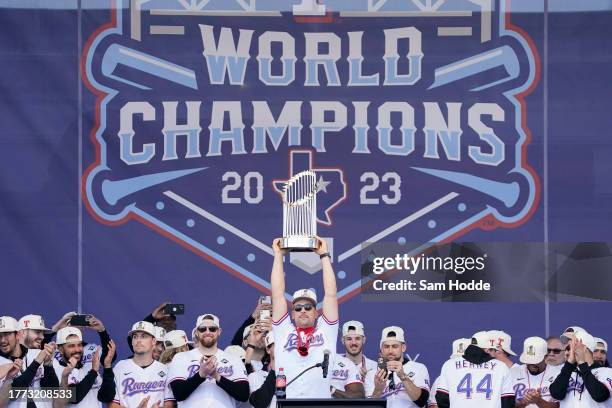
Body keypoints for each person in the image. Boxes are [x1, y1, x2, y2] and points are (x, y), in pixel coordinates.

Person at [270, 237, 339, 399]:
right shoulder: (283, 330)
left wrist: (324, 255)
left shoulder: (326, 330)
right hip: (286, 403)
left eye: (308, 307)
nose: (303, 311)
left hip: (320, 404)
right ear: (292, 314)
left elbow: (331, 294)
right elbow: (277, 294)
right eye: (298, 308)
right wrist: (278, 255)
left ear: (316, 313)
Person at [167, 314, 249, 407]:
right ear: (197, 332)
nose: (207, 332)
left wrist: (217, 376)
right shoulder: (181, 358)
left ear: (219, 331)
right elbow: (179, 394)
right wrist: (201, 375)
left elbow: (243, 395)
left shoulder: (233, 359)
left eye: (212, 329)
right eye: (202, 329)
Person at [436, 331, 515, 408]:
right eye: (493, 350)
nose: (494, 353)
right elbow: (508, 401)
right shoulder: (501, 367)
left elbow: (442, 398)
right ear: (487, 350)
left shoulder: (450, 365)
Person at [0, 315, 59, 408]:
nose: (2, 340)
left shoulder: (37, 353)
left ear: (18, 334)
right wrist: (36, 363)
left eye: (7, 334)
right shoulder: (1, 362)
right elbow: (12, 394)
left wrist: (48, 366)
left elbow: (53, 392)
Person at [110, 321, 171, 407]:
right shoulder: (120, 367)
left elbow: (170, 404)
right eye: (135, 337)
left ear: (153, 341)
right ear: (132, 342)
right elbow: (112, 405)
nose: (138, 340)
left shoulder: (165, 369)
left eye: (144, 336)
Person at [365, 326, 430, 407]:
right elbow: (369, 407)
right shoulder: (372, 374)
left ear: (403, 347)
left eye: (395, 346)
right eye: (386, 346)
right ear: (381, 349)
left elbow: (422, 401)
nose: (390, 351)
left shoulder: (418, 368)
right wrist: (378, 390)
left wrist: (403, 377)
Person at [549, 330, 612, 407]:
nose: (568, 352)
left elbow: (600, 395)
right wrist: (569, 365)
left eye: (570, 348)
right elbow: (556, 394)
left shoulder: (607, 372)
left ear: (584, 348)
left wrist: (582, 363)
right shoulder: (566, 373)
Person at [511, 336, 561, 408]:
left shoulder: (557, 374)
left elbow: (560, 406)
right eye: (528, 360)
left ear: (545, 356)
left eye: (535, 360)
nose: (531, 364)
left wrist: (539, 401)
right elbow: (504, 404)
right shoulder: (513, 373)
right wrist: (523, 403)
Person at [428, 338, 471, 408]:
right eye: (456, 359)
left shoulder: (480, 375)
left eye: (464, 360)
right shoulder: (441, 379)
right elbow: (433, 405)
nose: (460, 363)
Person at [248, 332, 277, 408]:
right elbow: (260, 403)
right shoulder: (255, 376)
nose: (281, 349)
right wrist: (274, 371)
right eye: (277, 345)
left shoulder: (294, 372)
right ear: (268, 349)